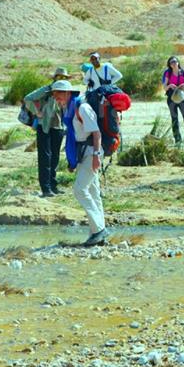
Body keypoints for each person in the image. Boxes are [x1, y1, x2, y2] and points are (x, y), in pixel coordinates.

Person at [54, 79, 109, 246]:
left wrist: (96, 156)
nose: (57, 99)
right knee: (93, 193)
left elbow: (96, 133)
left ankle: (99, 229)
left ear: (69, 93)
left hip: (91, 152)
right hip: (83, 154)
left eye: (60, 95)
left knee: (79, 190)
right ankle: (98, 235)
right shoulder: (68, 110)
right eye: (55, 96)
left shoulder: (82, 108)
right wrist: (72, 161)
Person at [24, 67, 70, 198]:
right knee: (45, 158)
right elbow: (28, 98)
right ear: (54, 78)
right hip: (44, 127)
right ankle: (46, 189)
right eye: (59, 77)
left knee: (55, 157)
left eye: (63, 77)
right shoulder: (46, 90)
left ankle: (53, 186)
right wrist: (36, 112)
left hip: (59, 127)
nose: (61, 79)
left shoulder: (66, 90)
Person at [162, 56, 184, 146]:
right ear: (169, 65)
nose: (173, 64)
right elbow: (164, 87)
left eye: (174, 61)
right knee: (175, 119)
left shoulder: (183, 72)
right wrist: (170, 86)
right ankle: (178, 141)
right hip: (171, 98)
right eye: (171, 63)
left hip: (182, 98)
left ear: (178, 62)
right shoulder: (168, 73)